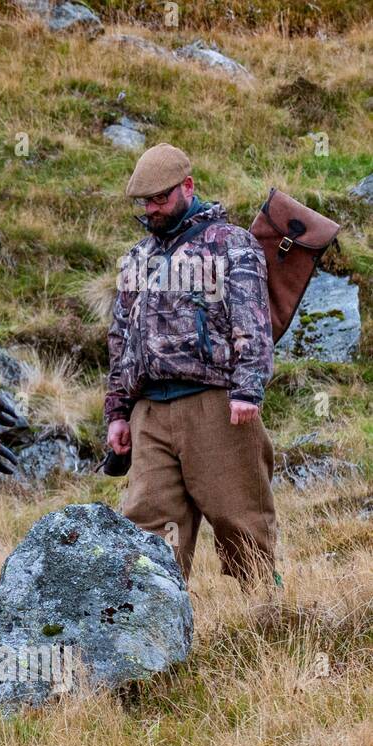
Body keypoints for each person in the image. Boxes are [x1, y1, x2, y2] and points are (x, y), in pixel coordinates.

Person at [105, 144, 278, 588]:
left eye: (160, 198)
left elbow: (253, 325)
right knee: (147, 535)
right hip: (149, 416)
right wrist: (118, 413)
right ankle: (151, 636)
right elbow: (120, 340)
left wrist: (247, 391)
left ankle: (268, 623)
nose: (152, 209)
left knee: (241, 523)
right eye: (145, 201)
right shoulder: (135, 258)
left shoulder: (231, 244)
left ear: (188, 186)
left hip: (217, 408)